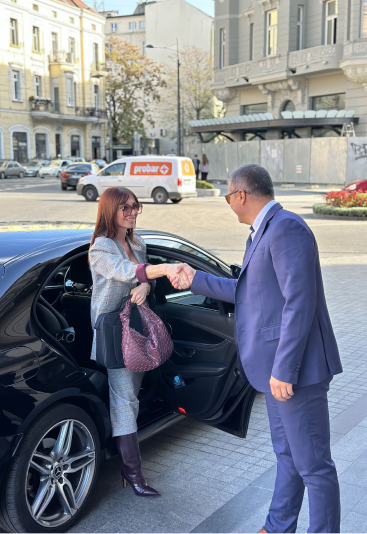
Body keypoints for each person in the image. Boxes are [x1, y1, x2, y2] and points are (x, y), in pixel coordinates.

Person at [168, 164, 342, 533]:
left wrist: (285, 368)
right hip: (277, 372)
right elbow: (248, 292)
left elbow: (300, 302)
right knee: (287, 456)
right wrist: (195, 279)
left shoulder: (286, 228)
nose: (229, 204)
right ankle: (278, 526)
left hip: (297, 372)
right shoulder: (262, 233)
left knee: (314, 466)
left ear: (241, 195)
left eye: (228, 197)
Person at [88, 186, 182, 497]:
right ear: (109, 211)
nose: (131, 212)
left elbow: (142, 278)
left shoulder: (136, 242)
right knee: (125, 401)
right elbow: (124, 271)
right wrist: (162, 270)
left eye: (135, 206)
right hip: (115, 332)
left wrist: (145, 286)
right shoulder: (101, 249)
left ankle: (129, 465)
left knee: (132, 396)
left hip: (138, 327)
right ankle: (132, 473)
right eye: (124, 207)